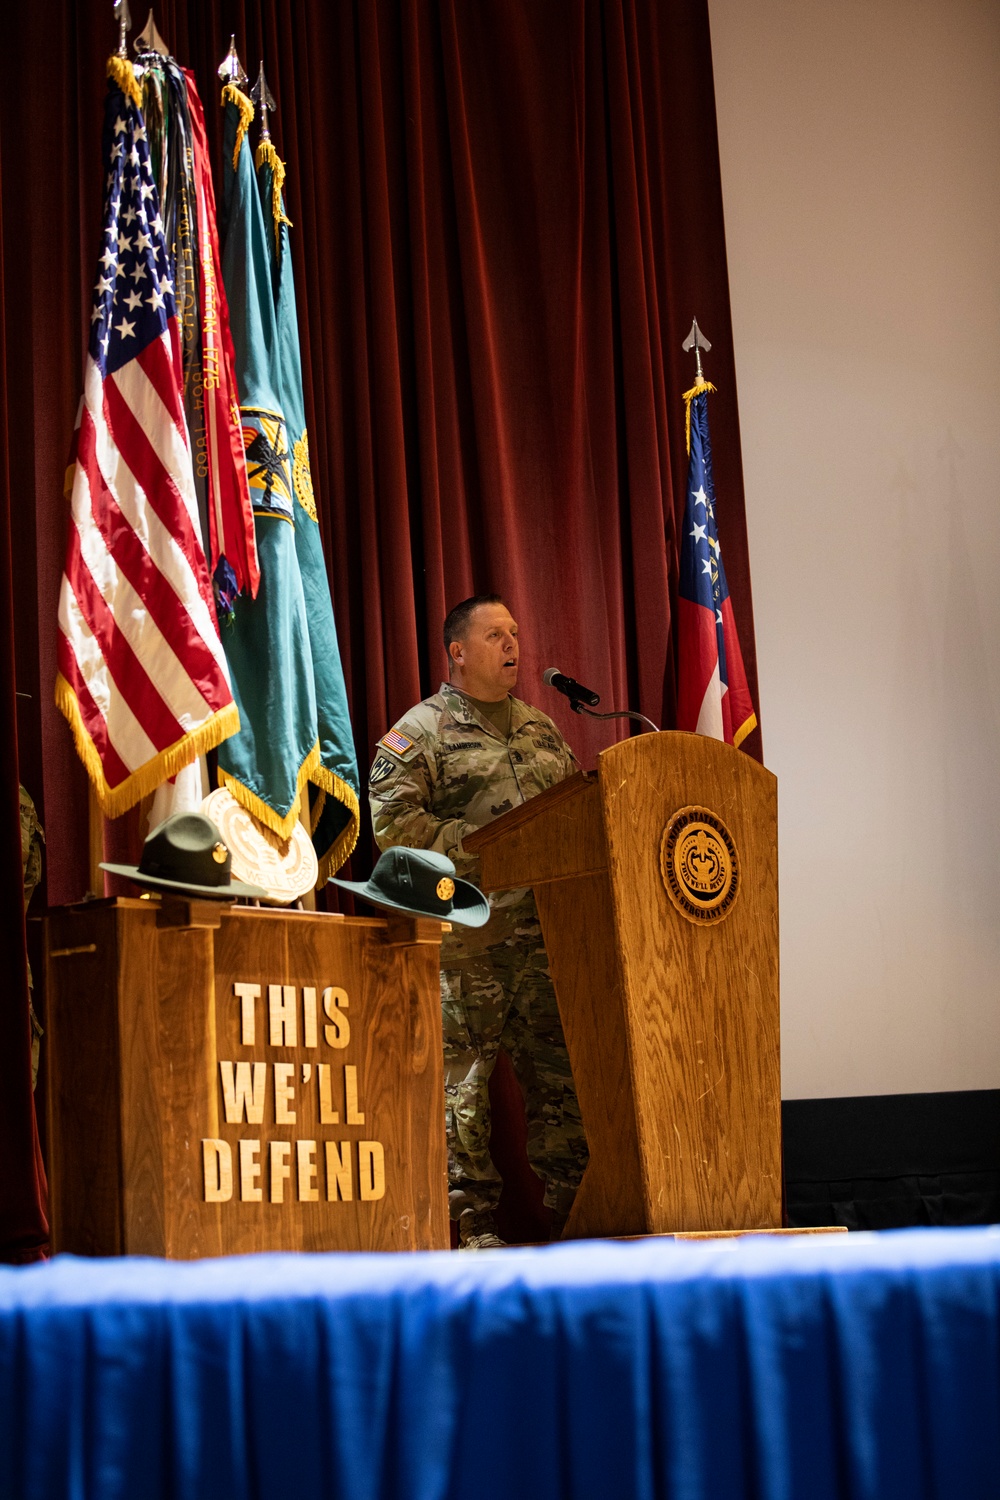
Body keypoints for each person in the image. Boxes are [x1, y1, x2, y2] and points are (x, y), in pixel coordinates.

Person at [369, 594, 588, 1248]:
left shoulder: (541, 729)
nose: (513, 645)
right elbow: (393, 828)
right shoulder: (422, 732)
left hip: (549, 947)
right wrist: (488, 843)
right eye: (495, 635)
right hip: (470, 947)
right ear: (457, 651)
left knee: (563, 1096)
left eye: (515, 633)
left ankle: (579, 1227)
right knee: (464, 1101)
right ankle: (472, 1239)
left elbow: (572, 816)